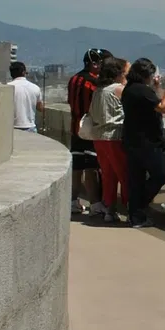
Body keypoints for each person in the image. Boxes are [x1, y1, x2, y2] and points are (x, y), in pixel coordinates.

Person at [121, 58, 165, 228]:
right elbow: (163, 108)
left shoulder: (131, 89)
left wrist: (156, 88)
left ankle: (135, 214)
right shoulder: (140, 90)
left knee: (136, 179)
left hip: (132, 140)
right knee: (160, 175)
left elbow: (151, 102)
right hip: (148, 142)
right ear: (146, 75)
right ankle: (138, 208)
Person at [88, 55, 130, 224]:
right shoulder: (118, 90)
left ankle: (109, 209)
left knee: (108, 175)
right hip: (115, 137)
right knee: (124, 174)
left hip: (99, 138)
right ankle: (131, 209)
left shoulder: (98, 91)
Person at [67, 49, 106, 216]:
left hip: (75, 127)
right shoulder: (93, 83)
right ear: (95, 64)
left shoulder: (74, 79)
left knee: (76, 166)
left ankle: (73, 202)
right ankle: (95, 204)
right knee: (91, 166)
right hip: (90, 129)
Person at [8, 61, 44, 132]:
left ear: (11, 73)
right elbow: (40, 108)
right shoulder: (35, 88)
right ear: (24, 72)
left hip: (13, 127)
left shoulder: (7, 88)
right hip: (30, 126)